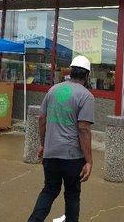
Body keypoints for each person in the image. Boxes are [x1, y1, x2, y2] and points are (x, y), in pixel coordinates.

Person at [28, 55, 95, 222]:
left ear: (71, 72)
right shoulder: (86, 96)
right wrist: (89, 161)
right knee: (72, 194)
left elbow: (41, 119)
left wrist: (44, 145)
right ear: (87, 76)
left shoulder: (53, 90)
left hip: (51, 153)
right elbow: (83, 129)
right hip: (72, 157)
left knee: (49, 190)